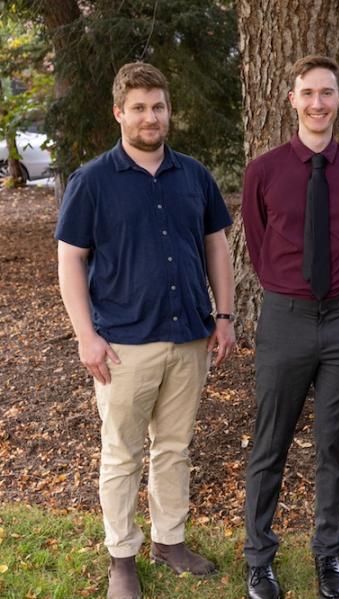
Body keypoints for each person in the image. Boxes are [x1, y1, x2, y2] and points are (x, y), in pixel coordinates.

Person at [55, 62, 236, 599]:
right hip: (122, 346)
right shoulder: (91, 181)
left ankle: (170, 540)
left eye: (158, 106)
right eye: (138, 108)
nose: (150, 116)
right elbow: (70, 260)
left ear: (168, 111)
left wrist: (223, 317)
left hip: (189, 339)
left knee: (175, 447)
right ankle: (122, 556)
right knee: (122, 454)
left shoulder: (194, 176)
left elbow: (217, 248)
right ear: (119, 113)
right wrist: (85, 336)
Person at [241, 55, 339, 599]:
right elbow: (256, 245)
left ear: (338, 100)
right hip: (286, 319)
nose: (317, 103)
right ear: (291, 100)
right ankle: (259, 559)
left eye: (327, 93)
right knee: (270, 444)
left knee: (333, 448)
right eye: (308, 94)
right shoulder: (264, 171)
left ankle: (328, 553)